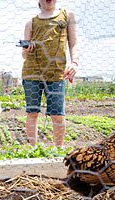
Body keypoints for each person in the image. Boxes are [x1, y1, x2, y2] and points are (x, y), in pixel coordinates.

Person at [21, 0, 79, 149]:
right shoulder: (31, 23)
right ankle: (33, 150)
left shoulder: (67, 16)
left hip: (56, 73)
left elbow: (73, 43)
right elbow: (23, 55)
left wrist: (74, 62)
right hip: (32, 73)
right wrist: (28, 47)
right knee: (32, 112)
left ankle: (58, 149)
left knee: (58, 114)